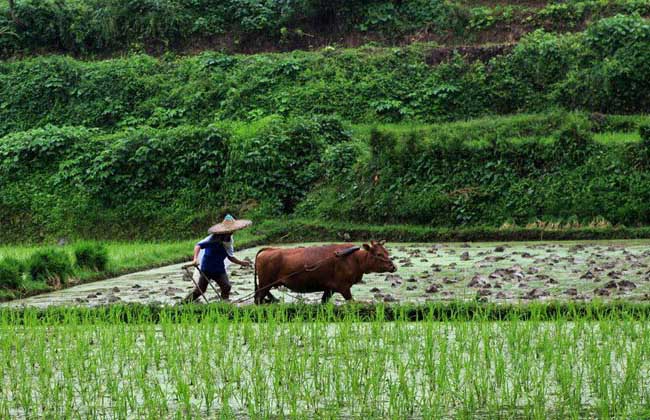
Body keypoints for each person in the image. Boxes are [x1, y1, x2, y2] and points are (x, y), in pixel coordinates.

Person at [183, 215, 252, 302]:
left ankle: (224, 304)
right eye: (230, 231)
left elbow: (230, 256)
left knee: (226, 286)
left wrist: (242, 263)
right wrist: (195, 259)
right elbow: (198, 245)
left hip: (219, 269)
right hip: (207, 268)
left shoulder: (229, 240)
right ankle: (183, 303)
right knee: (200, 290)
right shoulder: (213, 238)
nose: (232, 232)